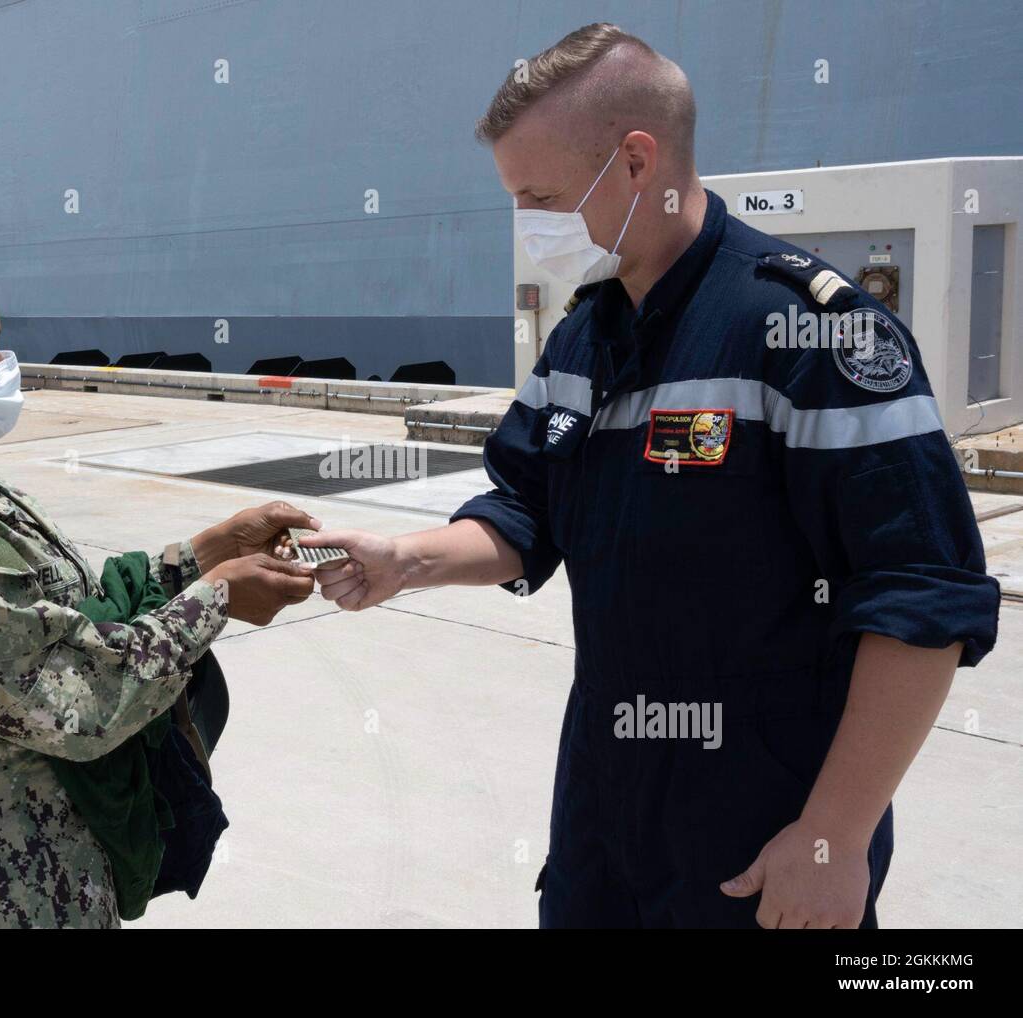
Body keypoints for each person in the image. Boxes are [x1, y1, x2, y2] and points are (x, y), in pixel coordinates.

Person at [304, 24, 1000, 928]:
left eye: (544, 197)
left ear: (637, 162)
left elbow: (922, 599)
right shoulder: (587, 334)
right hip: (606, 815)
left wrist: (832, 837)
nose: (533, 227)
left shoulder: (813, 334)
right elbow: (524, 510)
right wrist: (403, 558)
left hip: (758, 840)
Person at [0, 228, 317, 928]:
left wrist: (203, 554)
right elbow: (77, 700)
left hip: (44, 886)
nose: (2, 366)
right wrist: (217, 599)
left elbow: (57, 618)